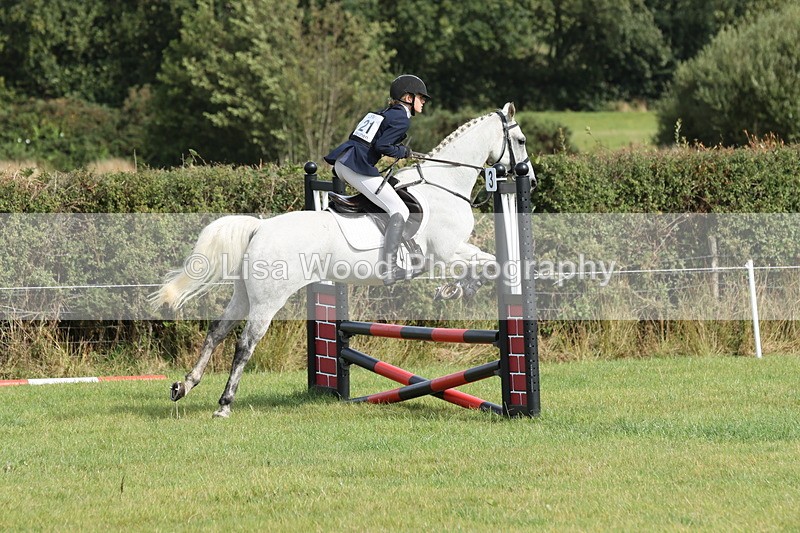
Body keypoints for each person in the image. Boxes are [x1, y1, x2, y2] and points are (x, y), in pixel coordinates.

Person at [324, 74, 431, 285]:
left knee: (384, 197)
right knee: (400, 210)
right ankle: (389, 268)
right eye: (421, 97)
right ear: (408, 98)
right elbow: (383, 147)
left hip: (344, 161)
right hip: (356, 165)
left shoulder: (382, 113)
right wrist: (404, 151)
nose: (424, 101)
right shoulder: (401, 118)